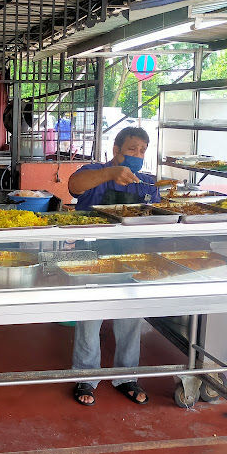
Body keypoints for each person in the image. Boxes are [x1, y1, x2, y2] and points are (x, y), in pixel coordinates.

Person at [66, 126, 160, 406]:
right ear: (116, 150)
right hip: (92, 256)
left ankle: (127, 375)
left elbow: (157, 215)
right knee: (89, 317)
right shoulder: (95, 171)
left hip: (132, 258)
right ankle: (85, 376)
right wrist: (109, 173)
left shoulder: (145, 182)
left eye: (142, 151)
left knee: (130, 318)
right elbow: (74, 186)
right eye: (132, 149)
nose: (138, 155)